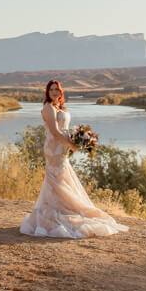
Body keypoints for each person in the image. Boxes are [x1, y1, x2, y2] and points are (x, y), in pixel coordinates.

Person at [19, 79, 129, 238]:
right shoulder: (48, 108)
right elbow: (55, 131)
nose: (54, 92)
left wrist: (78, 137)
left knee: (62, 178)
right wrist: (71, 144)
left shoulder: (59, 107)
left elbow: (63, 129)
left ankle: (63, 209)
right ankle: (55, 213)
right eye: (51, 89)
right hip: (53, 149)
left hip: (62, 147)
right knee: (56, 178)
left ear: (60, 92)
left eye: (56, 89)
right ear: (47, 92)